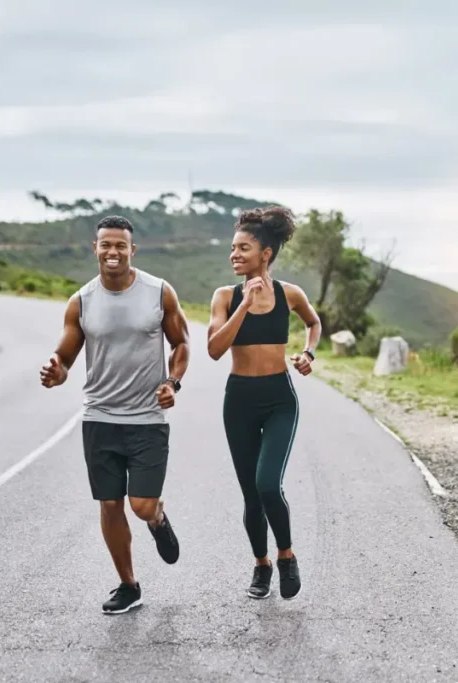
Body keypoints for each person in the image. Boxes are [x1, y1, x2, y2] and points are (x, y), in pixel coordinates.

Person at [39, 215, 190, 615]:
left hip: (146, 419)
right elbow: (66, 356)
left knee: (141, 504)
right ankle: (128, 584)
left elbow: (181, 344)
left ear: (132, 250)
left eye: (120, 245)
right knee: (110, 504)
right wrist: (56, 372)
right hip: (100, 417)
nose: (113, 252)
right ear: (95, 248)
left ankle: (157, 518)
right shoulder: (82, 301)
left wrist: (173, 382)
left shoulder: (159, 292)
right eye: (106, 244)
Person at [207, 206, 322, 601]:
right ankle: (261, 565)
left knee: (268, 484)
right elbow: (214, 349)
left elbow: (313, 322)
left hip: (278, 399)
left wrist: (309, 354)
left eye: (243, 248)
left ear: (266, 254)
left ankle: (286, 555)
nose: (234, 255)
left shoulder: (291, 294)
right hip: (238, 401)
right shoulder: (224, 297)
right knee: (251, 495)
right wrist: (243, 304)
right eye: (233, 248)